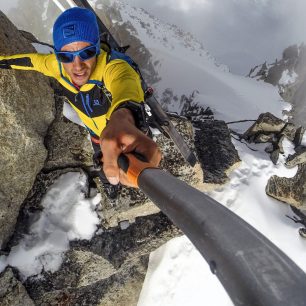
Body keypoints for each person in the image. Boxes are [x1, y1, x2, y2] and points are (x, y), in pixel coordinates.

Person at [0, 7, 161, 198]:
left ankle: (118, 180)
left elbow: (125, 83)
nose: (77, 66)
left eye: (87, 53)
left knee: (126, 160)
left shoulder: (112, 67)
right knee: (102, 162)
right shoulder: (56, 66)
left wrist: (125, 116)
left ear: (97, 48)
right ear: (59, 55)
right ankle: (110, 183)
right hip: (95, 133)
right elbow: (32, 61)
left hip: (126, 131)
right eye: (66, 56)